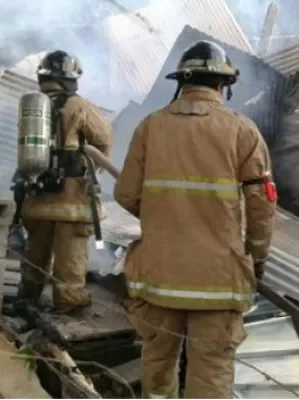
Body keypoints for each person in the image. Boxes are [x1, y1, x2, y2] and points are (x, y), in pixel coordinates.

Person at [114, 40, 276, 398]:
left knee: (157, 367)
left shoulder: (150, 127)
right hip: (218, 281)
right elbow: (262, 207)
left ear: (182, 83)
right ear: (223, 85)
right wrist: (256, 256)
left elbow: (125, 194)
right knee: (211, 377)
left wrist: (164, 216)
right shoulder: (243, 131)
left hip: (159, 277)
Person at [15, 50, 112, 313]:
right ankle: (68, 301)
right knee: (71, 254)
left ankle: (28, 295)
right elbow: (103, 140)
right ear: (71, 78)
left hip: (36, 196)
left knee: (37, 249)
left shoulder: (31, 108)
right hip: (72, 199)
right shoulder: (78, 106)